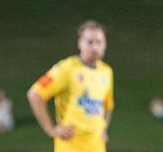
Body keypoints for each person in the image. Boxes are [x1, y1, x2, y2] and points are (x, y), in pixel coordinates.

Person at [27, 20, 114, 152]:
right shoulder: (66, 69)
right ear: (79, 43)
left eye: (99, 42)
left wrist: (103, 128)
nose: (94, 47)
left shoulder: (106, 72)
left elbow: (107, 105)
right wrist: (51, 129)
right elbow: (35, 94)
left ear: (105, 45)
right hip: (70, 145)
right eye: (89, 42)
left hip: (97, 146)